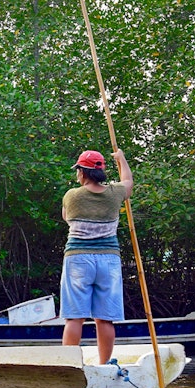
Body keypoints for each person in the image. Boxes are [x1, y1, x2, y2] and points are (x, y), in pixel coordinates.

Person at [60, 149, 133, 364]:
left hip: (78, 258)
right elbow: (128, 181)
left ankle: (69, 365)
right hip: (108, 259)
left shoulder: (72, 195)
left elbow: (66, 218)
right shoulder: (114, 193)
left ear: (83, 172)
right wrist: (121, 158)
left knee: (75, 317)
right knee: (105, 319)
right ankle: (103, 364)